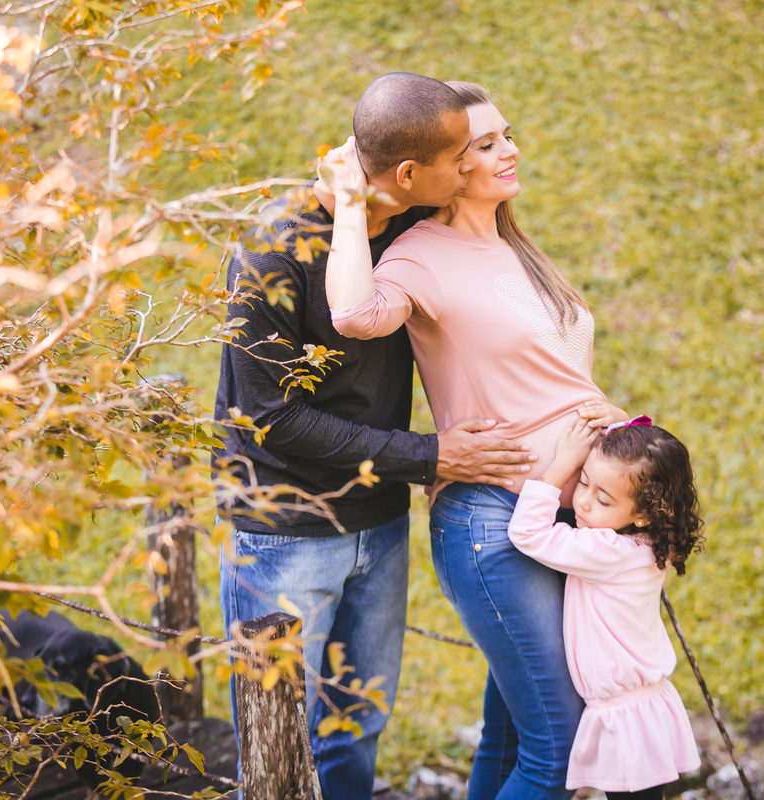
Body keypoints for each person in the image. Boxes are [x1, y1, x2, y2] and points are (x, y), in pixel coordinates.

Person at [214, 73, 537, 800]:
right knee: (276, 744)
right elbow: (271, 418)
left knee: (357, 724)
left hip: (378, 519)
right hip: (282, 530)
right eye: (462, 156)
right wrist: (431, 456)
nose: (474, 167)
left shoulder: (414, 232)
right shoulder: (270, 253)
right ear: (408, 175)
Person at [322, 82, 628, 799]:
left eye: (507, 135)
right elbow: (354, 314)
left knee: (515, 734)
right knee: (562, 744)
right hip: (493, 520)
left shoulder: (515, 247)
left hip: (560, 511)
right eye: (484, 145)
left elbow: (550, 374)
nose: (509, 151)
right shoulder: (420, 253)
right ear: (452, 167)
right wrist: (345, 201)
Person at [507, 416, 704, 799]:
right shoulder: (645, 547)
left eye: (603, 499)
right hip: (641, 710)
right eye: (583, 481)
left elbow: (527, 533)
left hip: (625, 719)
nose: (582, 501)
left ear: (642, 514)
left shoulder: (606, 551)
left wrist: (563, 464)